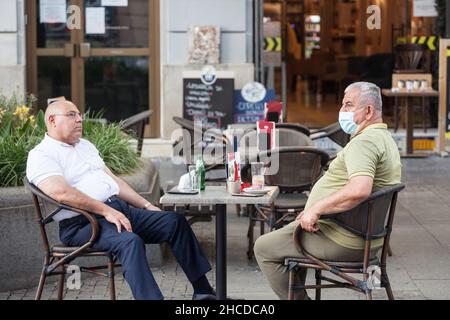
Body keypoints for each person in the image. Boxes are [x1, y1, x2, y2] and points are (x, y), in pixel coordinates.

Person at [26, 100, 216, 300]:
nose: (80, 119)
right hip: (83, 224)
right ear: (52, 120)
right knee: (130, 242)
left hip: (119, 212)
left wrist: (147, 205)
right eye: (72, 115)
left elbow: (113, 181)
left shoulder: (85, 146)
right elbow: (61, 192)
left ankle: (204, 293)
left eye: (79, 114)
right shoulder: (41, 155)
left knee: (174, 222)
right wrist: (106, 211)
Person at [254, 82, 402, 300]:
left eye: (349, 105)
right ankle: (375, 289)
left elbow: (360, 189)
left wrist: (316, 209)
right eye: (343, 104)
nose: (342, 111)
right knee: (292, 236)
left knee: (264, 247)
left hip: (345, 240)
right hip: (371, 241)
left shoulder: (365, 142)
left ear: (368, 111)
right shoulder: (385, 139)